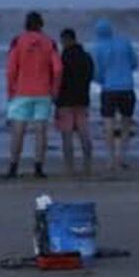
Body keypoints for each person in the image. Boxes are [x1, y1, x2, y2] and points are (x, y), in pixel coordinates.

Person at [4, 10, 61, 179]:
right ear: (41, 24)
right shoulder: (49, 42)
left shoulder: (18, 41)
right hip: (43, 91)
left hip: (22, 91)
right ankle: (38, 167)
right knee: (40, 131)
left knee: (18, 131)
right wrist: (54, 89)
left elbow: (10, 69)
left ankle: (13, 166)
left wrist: (10, 91)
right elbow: (58, 69)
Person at [90, 17, 139, 171]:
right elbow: (134, 63)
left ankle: (110, 159)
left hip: (109, 89)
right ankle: (121, 157)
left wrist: (102, 81)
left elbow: (95, 72)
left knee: (108, 124)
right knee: (126, 124)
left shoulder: (96, 47)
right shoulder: (124, 42)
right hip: (127, 87)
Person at [54, 26, 95, 178]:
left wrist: (55, 96)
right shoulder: (86, 57)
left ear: (66, 40)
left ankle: (69, 168)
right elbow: (91, 76)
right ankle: (87, 166)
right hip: (82, 99)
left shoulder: (63, 58)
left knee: (67, 135)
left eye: (62, 41)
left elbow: (58, 78)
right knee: (84, 133)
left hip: (65, 101)